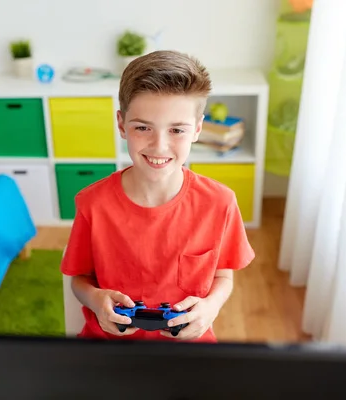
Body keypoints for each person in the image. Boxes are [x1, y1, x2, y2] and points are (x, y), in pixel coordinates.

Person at [60, 50, 255, 343]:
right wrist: (95, 300)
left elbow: (223, 278)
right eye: (142, 127)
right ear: (121, 124)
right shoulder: (92, 203)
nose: (159, 146)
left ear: (197, 129)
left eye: (177, 129)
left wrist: (211, 307)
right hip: (106, 352)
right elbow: (78, 281)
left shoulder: (220, 203)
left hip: (188, 351)